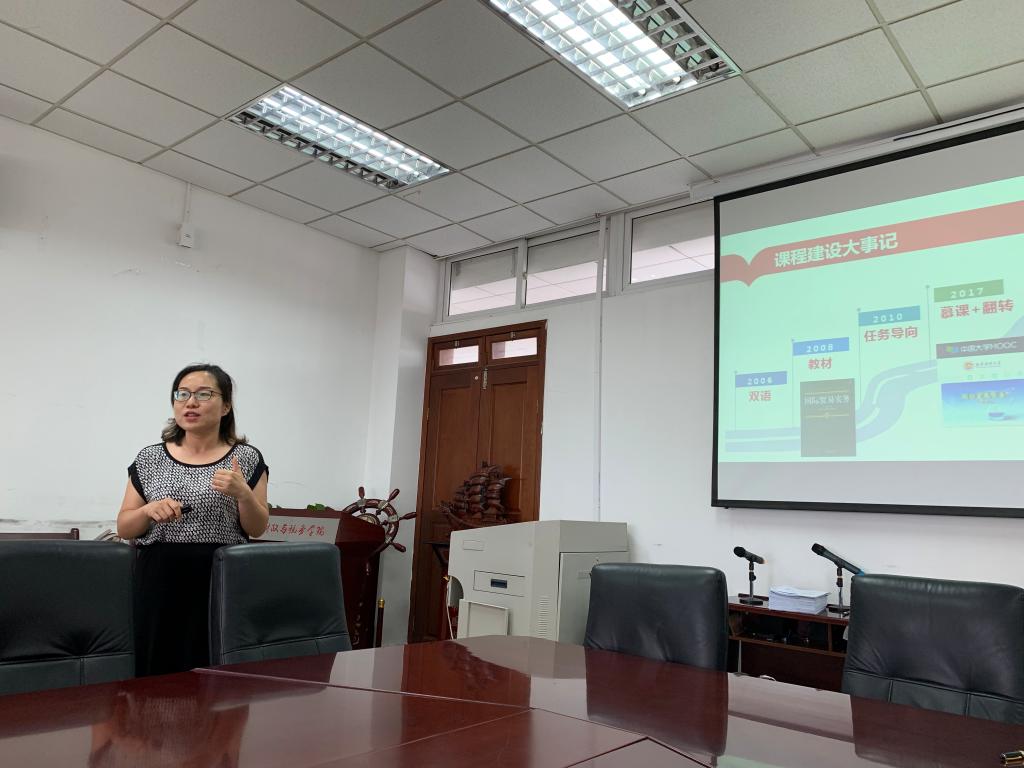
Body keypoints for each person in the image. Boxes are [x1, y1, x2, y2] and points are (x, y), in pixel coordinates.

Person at [117, 364, 269, 676]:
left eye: (203, 394)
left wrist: (243, 493)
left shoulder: (246, 458)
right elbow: (124, 527)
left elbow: (257, 527)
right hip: (159, 580)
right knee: (156, 672)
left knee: (215, 672)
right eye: (182, 394)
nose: (190, 402)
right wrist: (147, 511)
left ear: (225, 406)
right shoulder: (149, 458)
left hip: (221, 578)